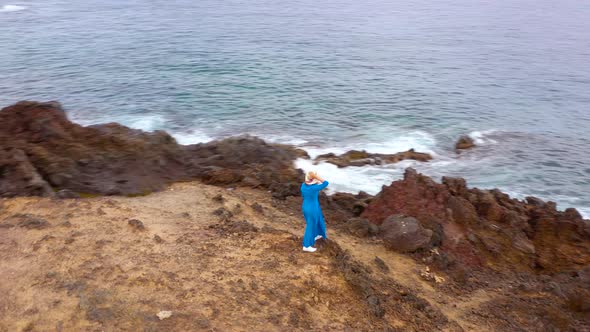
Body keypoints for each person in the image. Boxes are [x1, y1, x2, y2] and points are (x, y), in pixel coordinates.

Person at [300, 171, 329, 252]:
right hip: (312, 208)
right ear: (314, 179)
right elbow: (326, 183)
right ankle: (306, 245)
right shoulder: (314, 188)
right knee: (310, 225)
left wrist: (313, 177)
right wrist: (317, 177)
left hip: (306, 206)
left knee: (318, 219)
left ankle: (317, 234)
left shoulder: (303, 186)